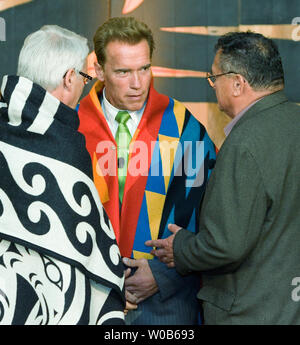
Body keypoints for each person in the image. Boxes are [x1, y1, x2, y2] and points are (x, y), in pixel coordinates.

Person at [146, 31, 300, 324]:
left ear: (238, 83)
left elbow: (224, 244)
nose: (213, 86)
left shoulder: (245, 145)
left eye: (214, 78)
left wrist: (179, 248)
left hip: (250, 312)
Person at [78, 16, 216, 325]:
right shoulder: (73, 128)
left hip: (165, 307)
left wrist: (163, 275)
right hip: (88, 301)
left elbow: (213, 220)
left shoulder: (183, 127)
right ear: (98, 71)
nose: (138, 83)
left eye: (144, 68)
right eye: (123, 72)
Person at [0, 25, 125, 325]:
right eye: (85, 77)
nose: (84, 86)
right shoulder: (65, 147)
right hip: (46, 303)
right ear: (70, 78)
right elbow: (88, 247)